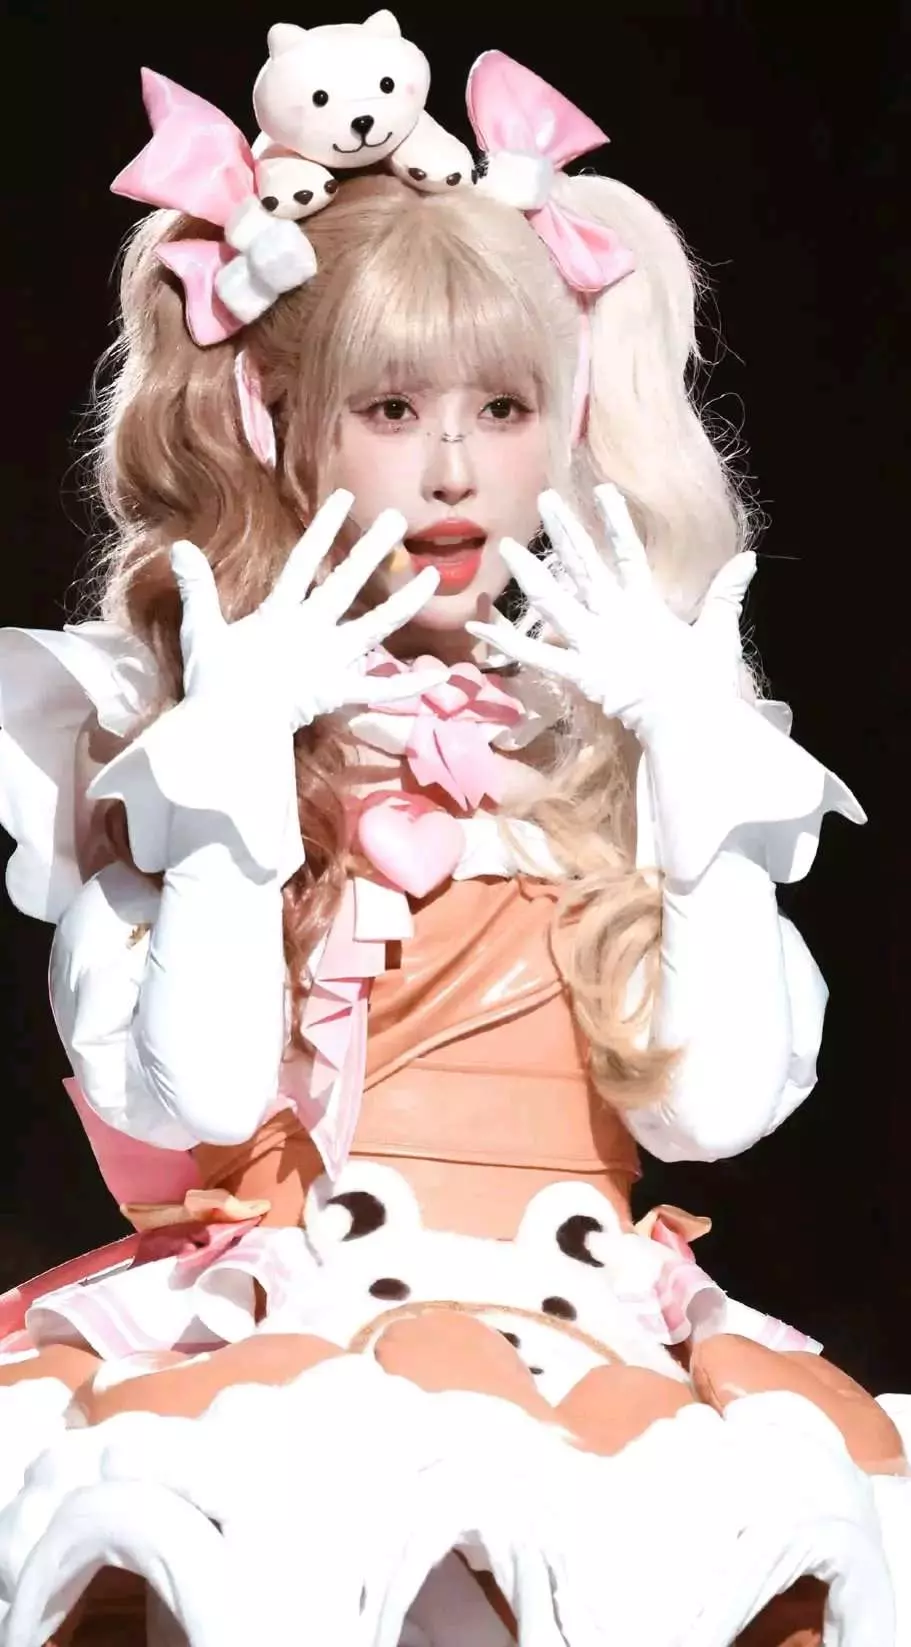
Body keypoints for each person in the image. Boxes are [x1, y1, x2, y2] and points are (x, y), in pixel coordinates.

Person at [0, 23, 907, 1647]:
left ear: (565, 421)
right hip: (288, 1330)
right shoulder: (162, 740)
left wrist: (692, 762)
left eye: (500, 406)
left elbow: (709, 1112)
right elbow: (194, 1099)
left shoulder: (615, 746)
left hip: (585, 1334)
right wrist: (236, 769)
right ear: (276, 415)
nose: (448, 469)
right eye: (389, 406)